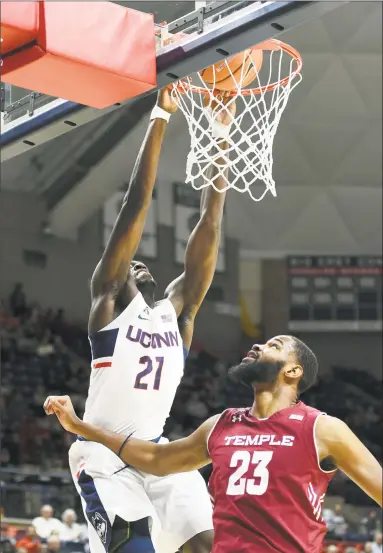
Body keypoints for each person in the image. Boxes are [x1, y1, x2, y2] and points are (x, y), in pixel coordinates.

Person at [63, 87, 235, 553]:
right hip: (102, 455)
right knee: (134, 545)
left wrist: (220, 133)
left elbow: (210, 223)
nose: (138, 263)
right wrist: (161, 114)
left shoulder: (177, 316)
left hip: (157, 452)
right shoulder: (108, 305)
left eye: (142, 263)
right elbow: (135, 205)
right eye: (129, 264)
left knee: (208, 544)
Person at [45, 334, 383, 553]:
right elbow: (156, 457)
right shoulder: (221, 424)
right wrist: (82, 427)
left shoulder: (322, 429)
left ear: (293, 372)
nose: (258, 346)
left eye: (274, 346)